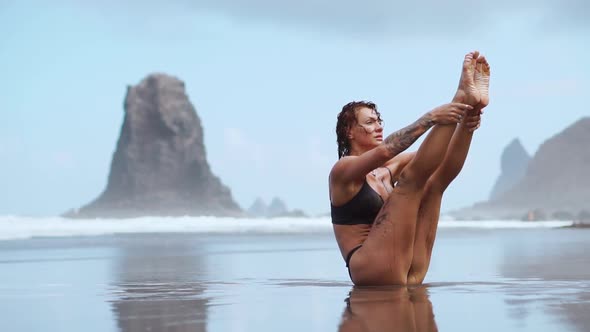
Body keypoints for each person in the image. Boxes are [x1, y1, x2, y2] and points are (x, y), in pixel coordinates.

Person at [329, 51, 490, 285]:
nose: (378, 126)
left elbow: (438, 157)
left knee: (435, 183)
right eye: (370, 122)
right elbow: (387, 149)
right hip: (368, 266)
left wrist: (467, 124)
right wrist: (431, 118)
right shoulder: (342, 171)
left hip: (404, 263)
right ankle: (461, 95)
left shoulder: (387, 169)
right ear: (349, 132)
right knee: (409, 183)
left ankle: (468, 101)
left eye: (379, 120)